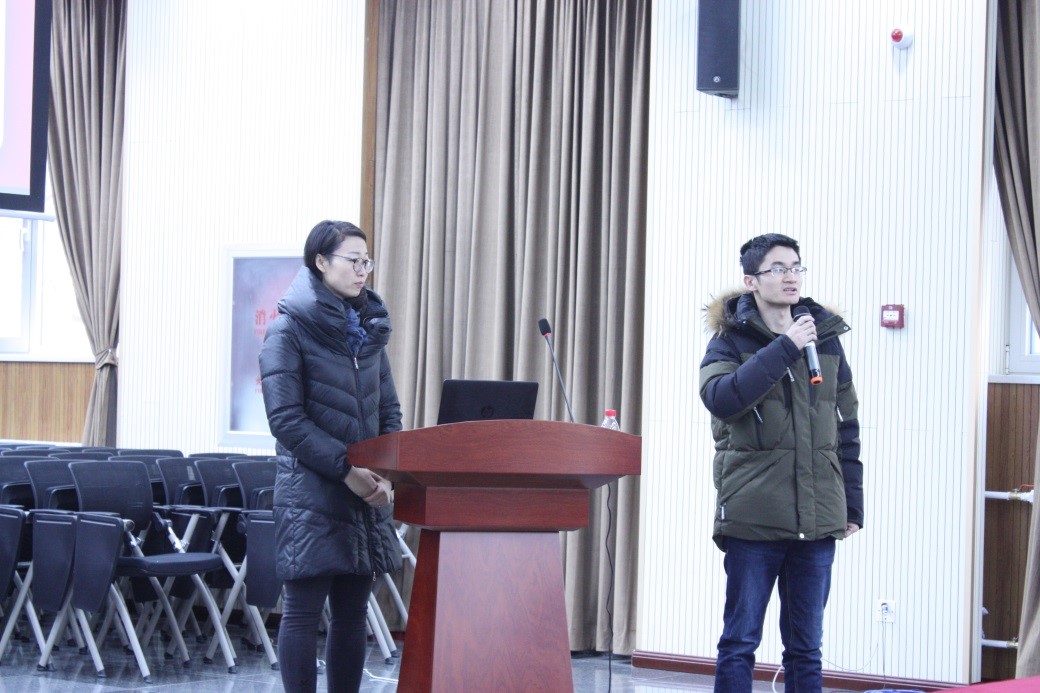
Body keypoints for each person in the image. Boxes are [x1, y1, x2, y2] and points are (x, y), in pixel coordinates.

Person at [699, 233, 863, 693]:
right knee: (740, 642)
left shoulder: (824, 338)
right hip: (753, 517)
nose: (790, 276)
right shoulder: (729, 341)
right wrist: (785, 347)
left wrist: (852, 504)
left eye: (795, 267)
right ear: (751, 280)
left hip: (817, 519)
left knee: (806, 648)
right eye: (777, 268)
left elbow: (846, 425)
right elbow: (722, 398)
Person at [259, 220, 402, 693]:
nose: (362, 270)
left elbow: (389, 411)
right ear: (321, 262)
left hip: (364, 493)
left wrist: (385, 473)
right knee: (302, 613)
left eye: (366, 261)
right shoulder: (287, 330)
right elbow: (286, 420)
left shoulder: (368, 332)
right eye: (352, 260)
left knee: (352, 613)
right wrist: (347, 470)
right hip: (311, 492)